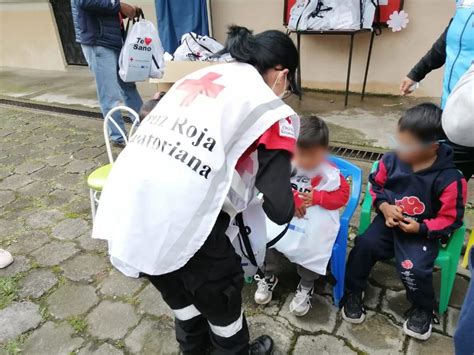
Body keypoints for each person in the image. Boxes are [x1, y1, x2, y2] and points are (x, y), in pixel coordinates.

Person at [92, 25, 300, 354]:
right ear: (282, 75)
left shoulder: (200, 76)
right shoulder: (265, 106)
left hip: (129, 213)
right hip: (185, 224)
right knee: (223, 311)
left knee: (183, 304)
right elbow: (280, 208)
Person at [341, 103, 467, 341]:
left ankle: (423, 307)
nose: (397, 148)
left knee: (414, 268)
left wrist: (421, 227)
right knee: (364, 246)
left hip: (420, 232)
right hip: (389, 223)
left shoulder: (450, 179)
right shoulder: (391, 161)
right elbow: (376, 187)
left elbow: (451, 219)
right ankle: (353, 291)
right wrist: (386, 207)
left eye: (405, 144)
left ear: (431, 147)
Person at [254, 116, 349, 317]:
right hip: (286, 218)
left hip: (310, 226)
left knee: (314, 246)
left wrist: (319, 196)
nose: (304, 160)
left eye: (311, 155)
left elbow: (342, 195)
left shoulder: (329, 173)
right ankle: (268, 275)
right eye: (299, 154)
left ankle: (306, 285)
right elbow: (270, 186)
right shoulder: (283, 166)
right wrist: (292, 198)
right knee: (265, 236)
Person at [399, 0, 474, 180]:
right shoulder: (464, 4)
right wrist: (415, 74)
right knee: (448, 179)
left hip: (470, 112)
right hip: (454, 110)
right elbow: (446, 43)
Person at [71, 0, 143, 146]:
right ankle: (119, 138)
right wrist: (119, 6)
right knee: (110, 96)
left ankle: (145, 130)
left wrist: (123, 11)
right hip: (99, 43)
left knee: (129, 87)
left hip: (114, 40)